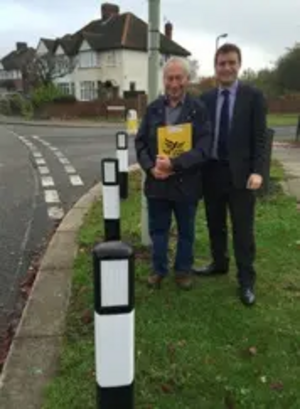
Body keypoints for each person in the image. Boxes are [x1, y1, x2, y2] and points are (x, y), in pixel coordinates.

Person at [193, 43, 267, 306]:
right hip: (212, 172)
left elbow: (260, 138)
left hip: (242, 175)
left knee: (243, 230)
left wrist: (259, 171)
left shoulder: (253, 96)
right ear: (215, 67)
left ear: (239, 65)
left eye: (231, 62)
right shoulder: (206, 99)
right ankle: (219, 263)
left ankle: (246, 281)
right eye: (222, 63)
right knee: (215, 224)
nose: (226, 67)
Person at [135, 57, 211, 290]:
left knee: (186, 231)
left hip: (186, 183)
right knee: (158, 230)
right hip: (158, 183)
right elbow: (140, 143)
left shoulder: (198, 109)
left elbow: (204, 148)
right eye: (170, 78)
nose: (174, 83)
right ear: (164, 80)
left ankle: (183, 271)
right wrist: (150, 167)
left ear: (187, 80)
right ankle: (158, 269)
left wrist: (175, 164)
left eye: (179, 78)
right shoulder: (153, 108)